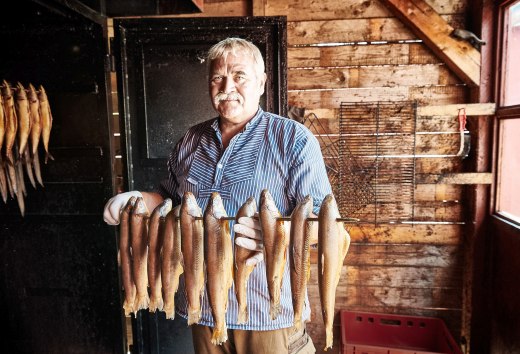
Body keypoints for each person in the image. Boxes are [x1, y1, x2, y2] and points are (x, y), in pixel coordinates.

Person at [103, 37, 333, 354]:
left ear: (262, 82)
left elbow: (324, 221)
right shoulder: (191, 140)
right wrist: (136, 200)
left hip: (266, 314)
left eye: (239, 75)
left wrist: (279, 234)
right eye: (217, 78)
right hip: (204, 309)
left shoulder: (293, 139)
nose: (227, 86)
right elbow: (168, 198)